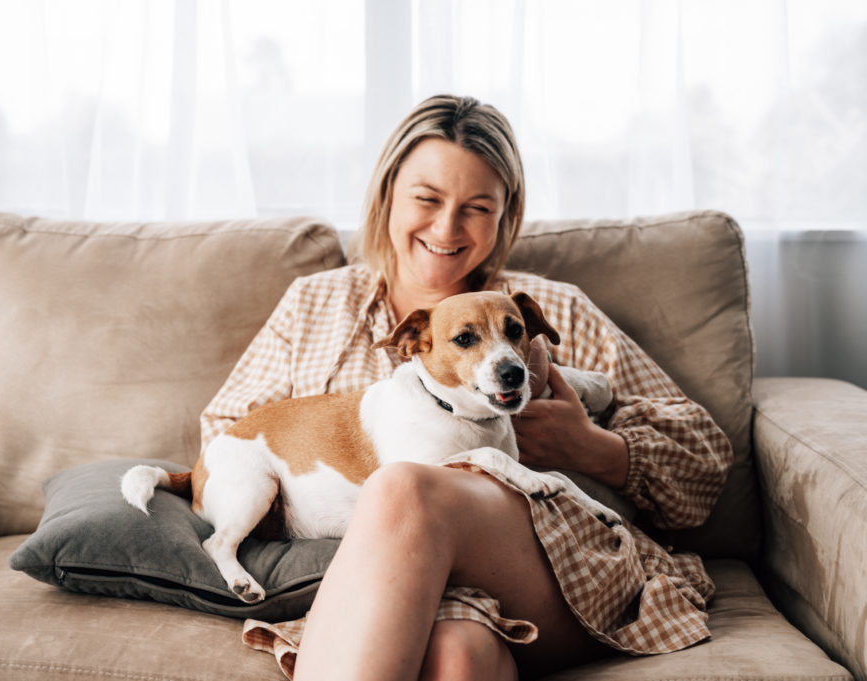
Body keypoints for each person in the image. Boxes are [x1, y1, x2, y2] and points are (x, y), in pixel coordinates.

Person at [200, 95, 732, 681]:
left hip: (544, 563)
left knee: (406, 486)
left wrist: (593, 448)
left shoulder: (552, 311)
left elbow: (706, 460)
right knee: (459, 655)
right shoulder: (315, 305)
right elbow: (223, 440)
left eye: (477, 207)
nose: (447, 228)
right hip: (387, 588)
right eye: (427, 199)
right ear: (386, 197)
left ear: (506, 215)